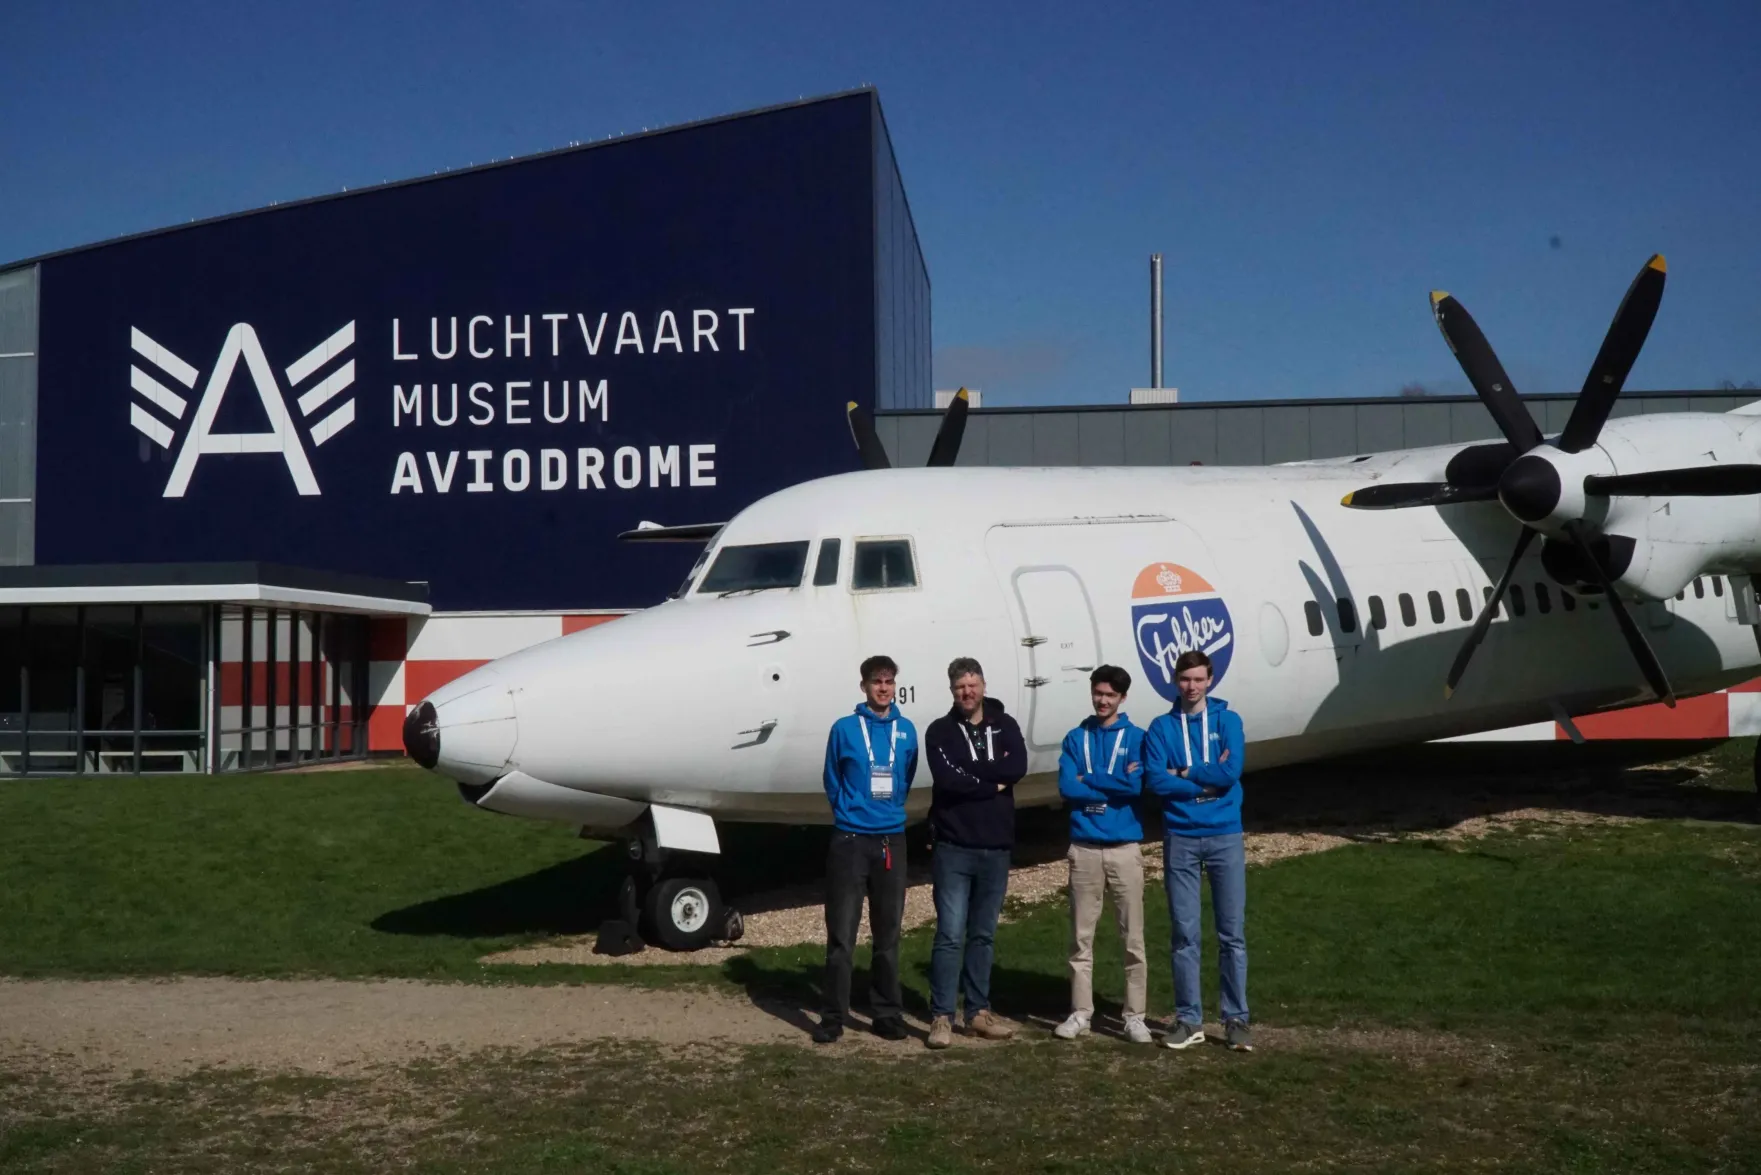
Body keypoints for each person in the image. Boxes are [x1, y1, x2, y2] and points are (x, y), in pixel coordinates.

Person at [1143, 648, 1251, 1052]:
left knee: (1231, 934)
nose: (1192, 687)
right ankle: (1189, 1020)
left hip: (1225, 833)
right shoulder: (1160, 728)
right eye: (1185, 679)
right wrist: (1206, 780)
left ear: (1210, 681)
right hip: (1181, 836)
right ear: (1176, 681)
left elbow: (1231, 771)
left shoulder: (1228, 720)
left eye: (1199, 679)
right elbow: (1156, 780)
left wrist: (1185, 772)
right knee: (1184, 934)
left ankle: (1236, 1019)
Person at [921, 657, 1026, 1049]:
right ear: (952, 691)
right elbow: (948, 779)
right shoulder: (940, 731)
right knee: (950, 934)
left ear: (983, 685)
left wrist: (977, 775)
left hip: (996, 847)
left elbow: (1017, 766)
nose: (967, 692)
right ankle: (941, 1016)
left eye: (972, 685)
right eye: (960, 687)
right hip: (954, 847)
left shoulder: (1006, 725)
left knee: (983, 934)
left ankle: (978, 1012)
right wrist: (991, 783)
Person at [814, 654, 919, 1045]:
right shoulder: (844, 729)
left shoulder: (906, 731)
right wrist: (849, 812)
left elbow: (906, 777)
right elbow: (832, 778)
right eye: (877, 682)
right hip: (851, 841)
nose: (883, 688)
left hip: (892, 840)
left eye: (889, 682)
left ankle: (887, 1014)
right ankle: (832, 1016)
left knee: (887, 935)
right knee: (842, 935)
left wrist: (886, 813)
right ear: (864, 686)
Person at [1053, 665, 1151, 1044]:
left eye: (1110, 695)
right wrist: (1112, 783)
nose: (1103, 700)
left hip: (1124, 848)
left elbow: (1135, 786)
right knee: (1081, 937)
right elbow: (1067, 786)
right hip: (1084, 848)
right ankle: (1080, 1013)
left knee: (1133, 938)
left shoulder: (1137, 738)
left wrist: (1089, 779)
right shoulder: (1076, 738)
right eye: (1098, 693)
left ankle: (1135, 1016)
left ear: (1123, 698)